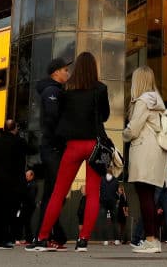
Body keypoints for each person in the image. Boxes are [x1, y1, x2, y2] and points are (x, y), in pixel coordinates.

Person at [27, 51, 109, 252]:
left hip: (72, 146)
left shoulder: (67, 88)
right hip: (94, 145)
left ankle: (42, 237)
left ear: (77, 68)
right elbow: (105, 115)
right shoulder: (100, 88)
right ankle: (83, 240)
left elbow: (60, 114)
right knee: (93, 193)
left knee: (58, 192)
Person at [121, 65, 167, 254]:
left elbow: (133, 129)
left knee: (145, 197)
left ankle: (150, 240)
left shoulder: (142, 101)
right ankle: (153, 239)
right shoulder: (157, 100)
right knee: (149, 197)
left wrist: (124, 134)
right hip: (156, 152)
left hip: (143, 152)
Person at [34, 56, 70, 249]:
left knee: (52, 193)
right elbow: (52, 119)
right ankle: (47, 235)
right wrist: (61, 139)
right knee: (55, 194)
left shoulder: (56, 90)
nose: (67, 73)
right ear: (56, 72)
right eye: (65, 70)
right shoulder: (52, 91)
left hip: (53, 148)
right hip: (53, 148)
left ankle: (49, 234)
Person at [0, 118, 27, 249]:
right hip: (10, 182)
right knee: (7, 211)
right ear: (15, 128)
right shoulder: (19, 141)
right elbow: (32, 150)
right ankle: (2, 239)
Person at [17, 169, 38, 244]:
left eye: (27, 176)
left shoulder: (33, 184)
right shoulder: (29, 183)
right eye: (26, 176)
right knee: (26, 222)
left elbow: (31, 196)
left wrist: (24, 198)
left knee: (26, 222)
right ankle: (28, 239)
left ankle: (28, 239)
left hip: (28, 206)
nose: (26, 177)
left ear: (32, 176)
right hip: (27, 205)